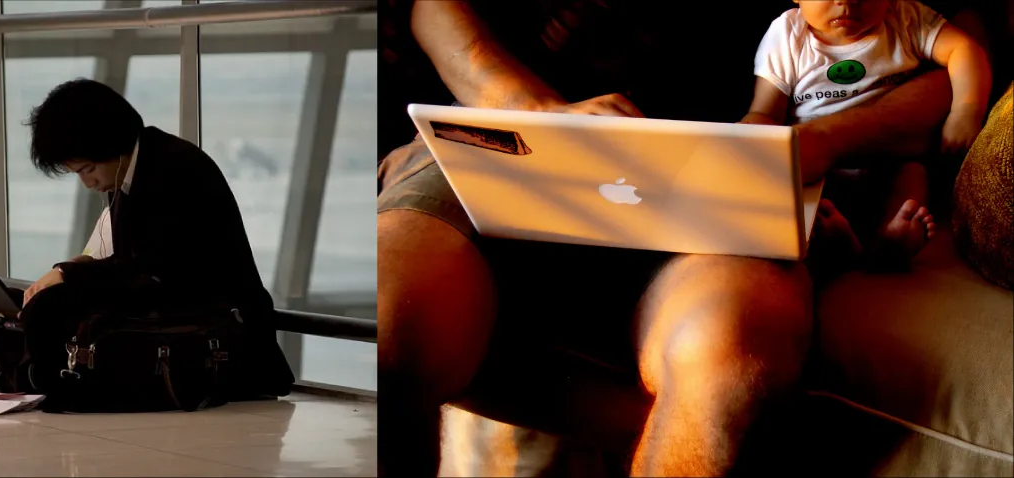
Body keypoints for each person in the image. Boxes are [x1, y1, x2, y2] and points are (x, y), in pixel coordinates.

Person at [382, 1, 954, 476]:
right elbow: (433, 10)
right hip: (518, 128)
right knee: (391, 310)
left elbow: (949, 68)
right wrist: (542, 113)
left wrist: (820, 140)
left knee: (730, 351)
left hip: (721, 160)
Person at [0, 78, 293, 399]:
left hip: (209, 328)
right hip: (156, 309)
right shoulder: (131, 171)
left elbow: (161, 276)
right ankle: (25, 369)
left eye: (87, 169)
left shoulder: (175, 170)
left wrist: (69, 275)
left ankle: (26, 374)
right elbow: (128, 267)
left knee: (48, 307)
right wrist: (75, 270)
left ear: (110, 142)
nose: (88, 183)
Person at [739, 0, 989, 271]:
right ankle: (836, 240)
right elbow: (766, 112)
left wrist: (966, 111)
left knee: (911, 173)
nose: (846, 2)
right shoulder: (787, 34)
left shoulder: (904, 19)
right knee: (800, 197)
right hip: (823, 173)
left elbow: (963, 49)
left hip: (886, 158)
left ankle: (889, 237)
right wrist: (745, 136)